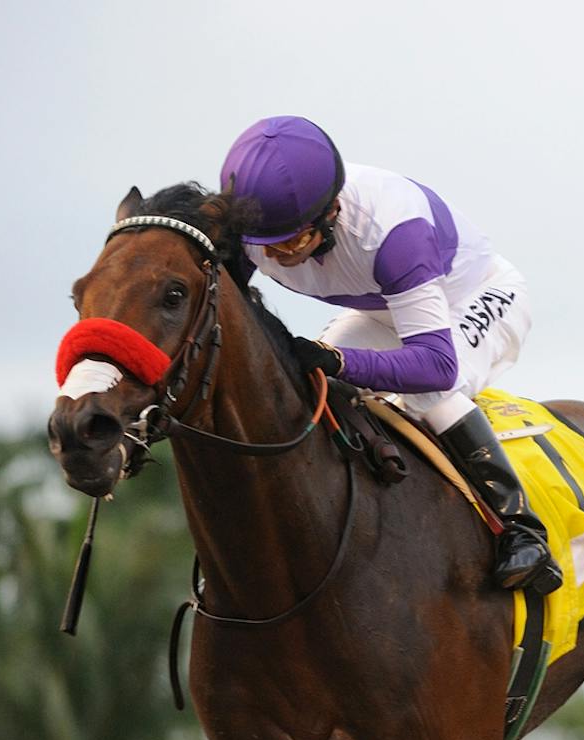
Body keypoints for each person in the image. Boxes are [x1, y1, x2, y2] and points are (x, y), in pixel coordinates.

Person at [219, 116, 559, 594]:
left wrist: (340, 361)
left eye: (292, 242)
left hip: (475, 297)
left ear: (330, 212)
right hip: (384, 310)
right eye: (264, 247)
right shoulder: (253, 227)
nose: (276, 258)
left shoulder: (393, 233)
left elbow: (435, 366)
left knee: (432, 393)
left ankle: (522, 528)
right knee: (312, 388)